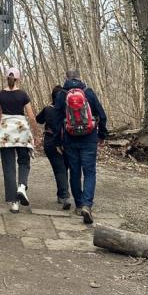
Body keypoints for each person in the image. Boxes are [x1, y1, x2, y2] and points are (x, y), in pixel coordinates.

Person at [53, 69, 108, 223]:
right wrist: (102, 135)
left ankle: (78, 205)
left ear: (66, 79)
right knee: (90, 172)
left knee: (75, 172)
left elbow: (56, 121)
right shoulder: (88, 92)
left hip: (70, 140)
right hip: (89, 138)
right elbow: (102, 115)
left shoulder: (61, 95)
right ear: (79, 78)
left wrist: (58, 142)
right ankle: (87, 205)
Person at [0, 66, 38, 213]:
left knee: (8, 167)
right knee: (24, 161)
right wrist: (35, 133)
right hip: (21, 132)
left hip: (6, 133)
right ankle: (22, 186)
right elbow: (31, 116)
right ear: (18, 79)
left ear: (7, 78)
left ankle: (14, 203)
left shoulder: (0, 95)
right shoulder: (23, 95)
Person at [36, 85, 71, 210]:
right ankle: (62, 194)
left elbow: (38, 119)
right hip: (67, 141)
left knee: (59, 169)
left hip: (51, 141)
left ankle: (64, 196)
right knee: (63, 168)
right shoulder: (68, 109)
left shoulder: (48, 109)